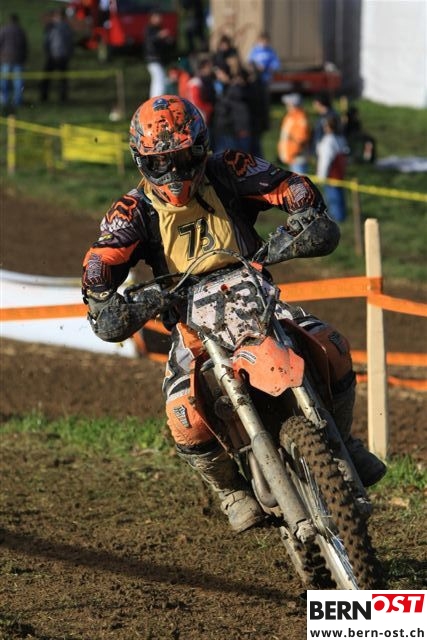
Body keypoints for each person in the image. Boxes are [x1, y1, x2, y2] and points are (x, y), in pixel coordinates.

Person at [81, 95, 386, 534]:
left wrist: (302, 211)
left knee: (331, 346)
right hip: (189, 320)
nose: (174, 171)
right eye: (161, 161)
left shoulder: (228, 168)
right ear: (142, 160)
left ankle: (343, 443)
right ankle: (230, 489)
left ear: (201, 147)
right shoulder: (132, 210)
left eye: (183, 157)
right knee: (184, 414)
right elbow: (101, 260)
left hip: (256, 296)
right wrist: (103, 297)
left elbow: (289, 184)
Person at [316, 114, 349, 223]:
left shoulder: (328, 141)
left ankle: (336, 219)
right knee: (339, 196)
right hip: (340, 173)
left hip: (331, 174)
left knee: (333, 198)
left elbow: (325, 160)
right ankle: (341, 217)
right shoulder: (341, 139)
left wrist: (321, 176)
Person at [40, 9, 74, 103]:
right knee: (62, 79)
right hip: (63, 56)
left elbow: (47, 41)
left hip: (54, 55)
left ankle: (44, 97)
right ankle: (62, 98)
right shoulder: (67, 27)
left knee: (47, 78)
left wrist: (47, 52)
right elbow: (71, 43)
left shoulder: (52, 27)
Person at [0, 13, 28, 112]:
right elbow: (25, 46)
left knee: (4, 82)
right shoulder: (21, 31)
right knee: (18, 82)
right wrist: (24, 58)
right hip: (18, 60)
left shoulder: (3, 30)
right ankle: (17, 102)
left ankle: (4, 101)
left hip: (5, 59)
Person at [277, 93, 311, 174]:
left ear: (293, 105)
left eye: (288, 104)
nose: (286, 106)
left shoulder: (300, 117)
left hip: (297, 158)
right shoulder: (291, 116)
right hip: (292, 158)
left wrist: (293, 153)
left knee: (299, 180)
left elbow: (302, 138)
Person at [143, 12, 174, 99]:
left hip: (160, 60)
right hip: (153, 59)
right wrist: (159, 36)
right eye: (157, 17)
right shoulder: (149, 29)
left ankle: (155, 99)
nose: (159, 19)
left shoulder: (159, 28)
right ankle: (156, 100)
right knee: (159, 80)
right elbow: (150, 41)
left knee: (159, 80)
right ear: (151, 18)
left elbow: (164, 46)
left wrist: (168, 41)